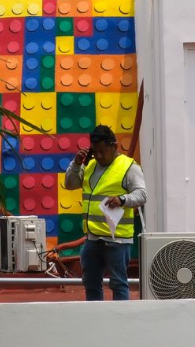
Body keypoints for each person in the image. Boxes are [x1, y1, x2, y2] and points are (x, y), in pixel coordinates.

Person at [63, 124, 146, 301]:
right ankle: (96, 320)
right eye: (96, 151)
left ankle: (121, 322)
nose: (99, 156)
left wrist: (122, 199)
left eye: (103, 151)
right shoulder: (90, 165)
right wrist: (76, 164)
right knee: (91, 283)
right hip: (92, 238)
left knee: (118, 283)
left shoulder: (129, 167)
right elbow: (70, 184)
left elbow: (141, 195)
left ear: (114, 146)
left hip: (117, 239)